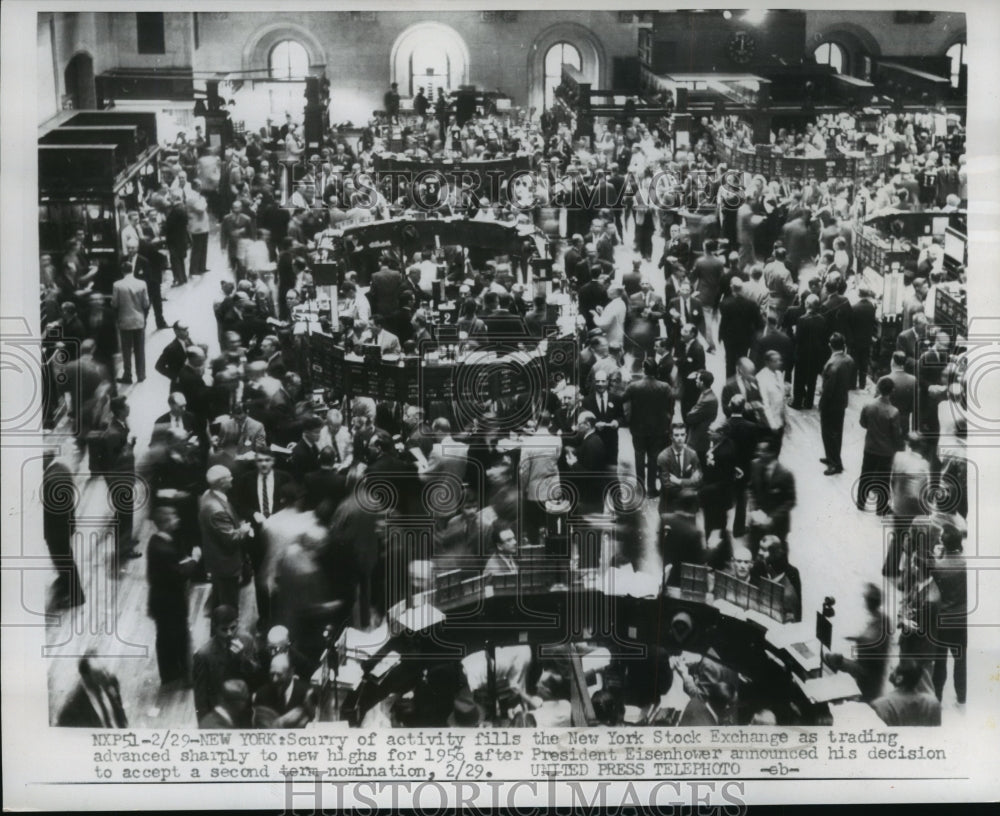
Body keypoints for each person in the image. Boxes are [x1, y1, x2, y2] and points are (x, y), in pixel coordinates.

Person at [146, 505, 201, 687]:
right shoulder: (163, 549)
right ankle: (185, 676)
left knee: (165, 637)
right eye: (173, 517)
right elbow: (179, 573)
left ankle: (170, 673)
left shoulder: (156, 542)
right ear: (164, 523)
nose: (177, 519)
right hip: (170, 602)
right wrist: (194, 559)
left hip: (161, 601)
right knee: (179, 637)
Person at [822, 583, 892, 703]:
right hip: (868, 671)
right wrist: (856, 638)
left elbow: (871, 644)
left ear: (869, 602)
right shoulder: (882, 619)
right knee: (832, 658)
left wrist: (857, 641)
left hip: (867, 678)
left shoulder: (878, 624)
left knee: (830, 659)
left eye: (865, 599)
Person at [198, 465, 253, 611]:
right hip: (225, 564)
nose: (232, 478)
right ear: (221, 482)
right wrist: (244, 530)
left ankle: (215, 623)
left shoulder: (208, 494)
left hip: (216, 559)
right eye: (229, 476)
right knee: (228, 602)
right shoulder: (216, 509)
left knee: (219, 595)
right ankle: (224, 629)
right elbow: (231, 540)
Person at [193, 605, 260, 723]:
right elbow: (201, 697)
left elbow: (256, 674)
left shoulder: (247, 640)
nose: (229, 633)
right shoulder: (203, 655)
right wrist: (204, 724)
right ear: (214, 627)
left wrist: (243, 657)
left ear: (237, 623)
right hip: (221, 712)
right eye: (224, 629)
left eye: (233, 628)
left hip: (244, 708)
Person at [932, 523, 967, 704]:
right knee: (961, 660)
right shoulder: (966, 564)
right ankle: (962, 695)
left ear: (943, 543)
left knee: (940, 659)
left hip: (944, 619)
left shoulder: (938, 566)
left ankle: (937, 694)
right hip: (962, 619)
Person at [43, 456, 84, 609]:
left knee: (64, 561)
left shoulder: (52, 479)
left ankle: (77, 596)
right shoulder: (61, 468)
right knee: (64, 559)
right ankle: (65, 583)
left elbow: (50, 509)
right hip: (64, 526)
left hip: (56, 530)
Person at [857, 377, 905, 513]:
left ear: (878, 388)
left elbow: (862, 423)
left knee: (866, 474)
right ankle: (881, 508)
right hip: (886, 451)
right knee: (883, 479)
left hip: (870, 446)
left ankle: (861, 502)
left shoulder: (868, 405)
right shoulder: (893, 411)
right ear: (892, 391)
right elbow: (896, 435)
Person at [746, 439, 795, 555]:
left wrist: (771, 519)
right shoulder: (754, 465)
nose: (758, 453)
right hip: (757, 524)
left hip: (777, 526)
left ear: (772, 453)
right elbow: (750, 489)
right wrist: (753, 510)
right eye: (758, 450)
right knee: (754, 551)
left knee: (777, 555)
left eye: (762, 451)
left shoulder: (785, 474)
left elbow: (790, 501)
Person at [111, 246, 150, 384]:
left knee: (127, 351)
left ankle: (128, 375)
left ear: (122, 271)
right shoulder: (142, 283)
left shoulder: (117, 285)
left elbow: (114, 304)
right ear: (132, 270)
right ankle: (141, 375)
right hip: (139, 320)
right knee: (140, 349)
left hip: (125, 322)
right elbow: (146, 303)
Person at [56, 653, 128, 727]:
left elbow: (121, 718)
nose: (105, 676)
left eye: (104, 670)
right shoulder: (72, 709)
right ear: (86, 677)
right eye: (98, 674)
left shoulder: (110, 685)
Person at [819, 332, 855, 475]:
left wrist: (822, 403)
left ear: (830, 345)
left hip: (830, 403)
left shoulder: (831, 363)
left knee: (828, 432)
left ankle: (834, 464)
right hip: (842, 400)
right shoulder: (849, 359)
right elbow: (852, 382)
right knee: (837, 432)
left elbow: (828, 388)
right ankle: (832, 457)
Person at [252, 653, 316, 728]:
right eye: (272, 674)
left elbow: (314, 723)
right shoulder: (261, 694)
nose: (274, 679)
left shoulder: (306, 693)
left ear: (291, 672)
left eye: (279, 675)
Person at [871, 660, 941, 726]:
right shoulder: (932, 704)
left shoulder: (881, 705)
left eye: (893, 669)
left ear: (899, 679)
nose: (891, 671)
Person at [752, 535, 802, 623]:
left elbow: (795, 609)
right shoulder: (758, 567)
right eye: (760, 548)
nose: (759, 552)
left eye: (764, 550)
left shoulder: (792, 573)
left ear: (774, 553)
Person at [657, 423, 702, 514]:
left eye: (682, 435)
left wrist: (679, 481)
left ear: (686, 436)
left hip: (688, 505)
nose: (680, 438)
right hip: (669, 504)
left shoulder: (692, 455)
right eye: (676, 435)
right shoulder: (663, 457)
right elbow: (667, 486)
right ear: (671, 437)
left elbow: (699, 481)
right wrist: (689, 484)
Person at [792, 294, 826, 410]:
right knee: (812, 379)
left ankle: (797, 402)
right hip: (816, 354)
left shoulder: (802, 320)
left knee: (799, 378)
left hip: (802, 353)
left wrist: (794, 331)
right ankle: (809, 402)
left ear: (807, 304)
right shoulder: (822, 319)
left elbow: (798, 339)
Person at [880, 351, 918, 434]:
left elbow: (878, 403)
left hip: (886, 423)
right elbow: (914, 405)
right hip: (904, 423)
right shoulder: (913, 380)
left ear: (892, 361)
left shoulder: (884, 379)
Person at [684, 370, 718, 461]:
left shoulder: (707, 400)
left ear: (702, 382)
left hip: (698, 440)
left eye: (697, 379)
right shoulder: (706, 395)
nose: (696, 381)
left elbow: (690, 418)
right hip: (698, 438)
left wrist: (690, 412)